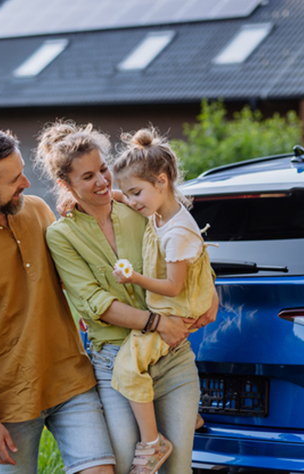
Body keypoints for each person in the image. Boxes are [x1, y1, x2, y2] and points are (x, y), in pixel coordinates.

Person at [0, 125, 114, 474]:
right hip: (10, 402)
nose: (26, 183)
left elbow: (74, 274)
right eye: (13, 181)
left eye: (22, 171)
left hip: (71, 380)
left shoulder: (38, 210)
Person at [35, 120, 218, 474]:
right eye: (88, 177)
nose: (102, 181)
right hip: (117, 363)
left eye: (103, 169)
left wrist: (211, 289)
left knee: (177, 469)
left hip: (172, 358)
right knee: (125, 465)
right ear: (65, 185)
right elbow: (96, 304)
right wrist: (159, 322)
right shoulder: (62, 236)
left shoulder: (137, 206)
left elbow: (184, 245)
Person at [108, 128, 215, 473]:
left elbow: (172, 286)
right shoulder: (160, 211)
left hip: (174, 309)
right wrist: (104, 196)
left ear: (162, 181)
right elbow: (128, 196)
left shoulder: (177, 232)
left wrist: (133, 278)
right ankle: (188, 413)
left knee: (127, 369)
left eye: (136, 192)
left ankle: (153, 443)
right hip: (171, 307)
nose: (132, 201)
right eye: (128, 194)